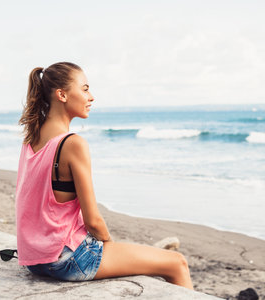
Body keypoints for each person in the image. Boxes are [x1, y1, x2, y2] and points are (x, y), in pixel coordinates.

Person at [15, 62, 193, 289]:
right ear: (62, 95)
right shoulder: (72, 143)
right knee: (177, 263)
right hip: (67, 259)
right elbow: (94, 221)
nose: (91, 97)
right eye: (85, 88)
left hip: (35, 259)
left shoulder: (31, 140)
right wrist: (109, 247)